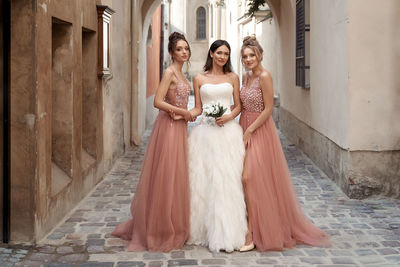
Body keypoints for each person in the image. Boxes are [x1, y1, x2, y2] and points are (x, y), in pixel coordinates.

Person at [239, 36, 330, 252]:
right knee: (245, 181)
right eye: (245, 56)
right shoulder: (245, 77)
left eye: (252, 55)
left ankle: (251, 234)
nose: (248, 59)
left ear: (260, 55)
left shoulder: (265, 76)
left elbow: (268, 109)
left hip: (259, 130)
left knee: (249, 177)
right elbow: (240, 105)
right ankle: (251, 225)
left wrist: (250, 130)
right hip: (243, 126)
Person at [112, 32, 193, 252]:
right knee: (165, 175)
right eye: (179, 49)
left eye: (186, 48)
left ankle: (174, 224)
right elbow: (158, 101)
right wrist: (181, 112)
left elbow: (184, 104)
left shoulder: (183, 74)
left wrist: (188, 113)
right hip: (167, 128)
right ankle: (159, 228)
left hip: (179, 127)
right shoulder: (169, 72)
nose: (183, 52)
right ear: (171, 52)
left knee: (176, 175)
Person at [186, 40, 248, 252]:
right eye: (219, 52)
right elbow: (197, 108)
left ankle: (228, 231)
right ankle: (203, 229)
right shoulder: (199, 78)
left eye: (226, 54)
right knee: (203, 181)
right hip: (204, 134)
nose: (223, 57)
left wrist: (229, 115)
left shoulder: (233, 77)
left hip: (227, 133)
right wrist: (181, 115)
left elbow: (238, 104)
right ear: (211, 53)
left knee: (226, 180)